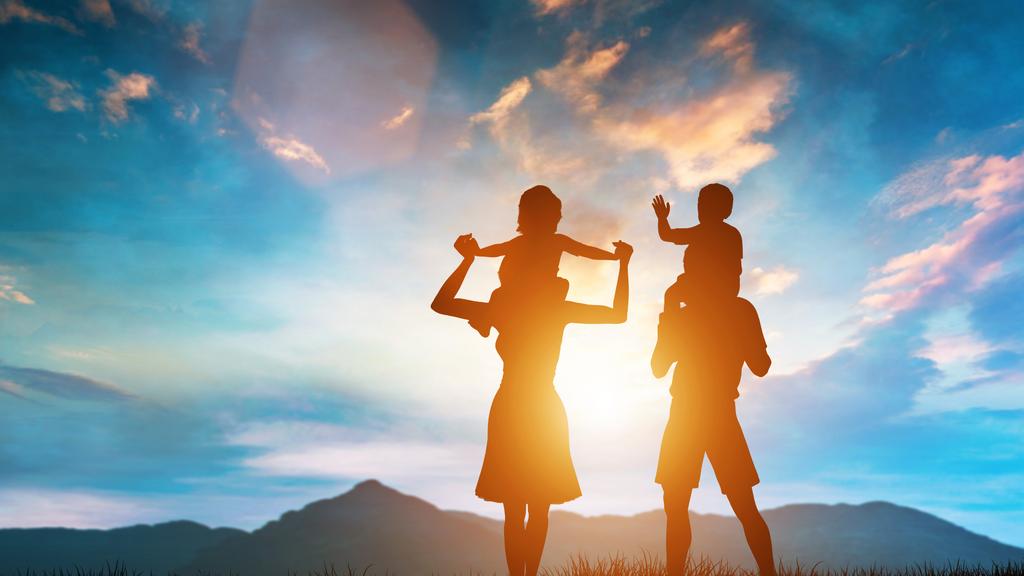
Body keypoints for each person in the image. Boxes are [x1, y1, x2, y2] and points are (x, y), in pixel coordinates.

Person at [432, 233, 632, 576]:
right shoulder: (554, 307)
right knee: (537, 506)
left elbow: (442, 303)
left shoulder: (502, 308)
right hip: (540, 404)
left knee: (520, 507)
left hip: (514, 402)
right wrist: (623, 266)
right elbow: (617, 314)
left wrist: (468, 260)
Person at [651, 276, 777, 576]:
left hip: (688, 413)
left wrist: (669, 312)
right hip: (717, 413)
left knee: (677, 505)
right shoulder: (740, 309)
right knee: (744, 505)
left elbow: (658, 368)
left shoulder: (684, 315)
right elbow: (762, 366)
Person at [469, 185, 619, 336]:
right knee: (555, 285)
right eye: (555, 213)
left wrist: (614, 256)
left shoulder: (549, 241)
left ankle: (487, 319)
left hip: (530, 293)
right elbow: (498, 249)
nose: (559, 217)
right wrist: (478, 252)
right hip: (516, 289)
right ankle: (486, 320)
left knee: (559, 285)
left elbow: (586, 251)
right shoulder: (545, 241)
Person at [652, 183, 743, 312]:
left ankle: (671, 329)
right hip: (726, 286)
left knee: (671, 295)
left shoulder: (703, 232)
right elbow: (738, 268)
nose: (700, 208)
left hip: (707, 286)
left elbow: (666, 235)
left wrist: (662, 218)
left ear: (724, 209)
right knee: (674, 293)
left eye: (706, 204)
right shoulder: (733, 233)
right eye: (700, 204)